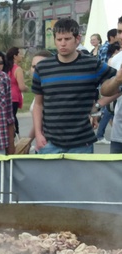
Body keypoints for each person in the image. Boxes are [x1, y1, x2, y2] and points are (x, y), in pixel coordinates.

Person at [32, 18, 118, 154]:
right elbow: (38, 104)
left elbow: (118, 84)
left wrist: (98, 105)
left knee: (83, 176)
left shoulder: (92, 64)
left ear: (77, 39)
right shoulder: (43, 68)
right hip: (50, 142)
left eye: (67, 39)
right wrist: (38, 133)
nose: (63, 44)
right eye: (59, 39)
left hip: (82, 143)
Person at [101, 15, 122, 154]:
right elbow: (105, 91)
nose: (121, 36)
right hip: (119, 134)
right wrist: (117, 80)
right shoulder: (115, 60)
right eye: (119, 32)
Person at [6, 47, 28, 136]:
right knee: (13, 117)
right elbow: (21, 87)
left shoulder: (6, 68)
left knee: (9, 117)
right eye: (20, 54)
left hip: (6, 97)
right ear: (15, 56)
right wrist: (27, 88)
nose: (22, 56)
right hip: (14, 97)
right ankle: (16, 135)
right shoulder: (17, 69)